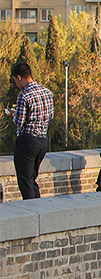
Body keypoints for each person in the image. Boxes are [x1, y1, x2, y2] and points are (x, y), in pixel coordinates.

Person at [5, 63, 54, 199]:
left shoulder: (24, 96)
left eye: (15, 80)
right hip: (42, 141)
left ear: (19, 77)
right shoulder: (47, 92)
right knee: (32, 178)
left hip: (27, 141)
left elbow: (19, 122)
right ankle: (39, 208)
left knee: (25, 180)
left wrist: (13, 114)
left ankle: (32, 211)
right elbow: (50, 116)